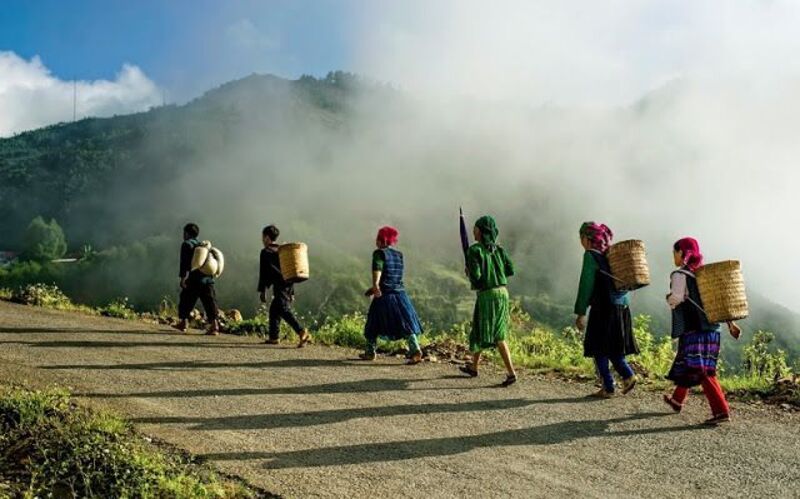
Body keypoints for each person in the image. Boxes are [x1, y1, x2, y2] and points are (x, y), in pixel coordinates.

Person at [663, 237, 741, 425]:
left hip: (694, 329)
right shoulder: (704, 275)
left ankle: (721, 411)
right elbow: (718, 302)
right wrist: (730, 324)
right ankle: (676, 400)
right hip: (713, 330)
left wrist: (669, 299)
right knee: (690, 363)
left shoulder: (680, 275)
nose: (673, 257)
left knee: (703, 370)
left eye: (675, 252)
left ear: (682, 253)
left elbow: (677, 297)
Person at [574, 222, 638, 398]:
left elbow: (586, 285)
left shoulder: (591, 256)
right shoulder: (609, 256)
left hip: (603, 308)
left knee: (598, 347)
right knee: (613, 346)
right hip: (621, 307)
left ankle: (609, 386)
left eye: (581, 238)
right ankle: (627, 375)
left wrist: (581, 312)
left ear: (587, 239)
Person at [459, 215, 517, 387]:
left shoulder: (474, 250)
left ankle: (511, 372)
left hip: (487, 295)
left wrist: (470, 272)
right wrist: (495, 271)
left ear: (481, 231)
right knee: (480, 327)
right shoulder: (499, 250)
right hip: (503, 292)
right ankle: (474, 367)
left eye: (476, 228)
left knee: (496, 334)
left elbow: (476, 277)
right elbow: (510, 270)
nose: (473, 231)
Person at [360, 226, 424, 363]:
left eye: (377, 238)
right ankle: (415, 349)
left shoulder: (378, 253)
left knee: (373, 322)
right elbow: (393, 276)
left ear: (381, 240)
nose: (375, 241)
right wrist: (373, 288)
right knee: (405, 323)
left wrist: (376, 285)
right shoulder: (399, 255)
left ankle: (370, 352)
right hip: (400, 294)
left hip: (385, 295)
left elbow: (378, 268)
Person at [258, 225, 311, 347]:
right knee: (274, 309)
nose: (262, 240)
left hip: (279, 283)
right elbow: (290, 269)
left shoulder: (266, 252)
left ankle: (301, 331)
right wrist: (291, 292)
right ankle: (274, 337)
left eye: (262, 237)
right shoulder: (282, 250)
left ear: (266, 237)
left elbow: (264, 273)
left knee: (283, 309)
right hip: (288, 282)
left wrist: (262, 290)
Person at [175, 223, 220, 335]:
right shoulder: (202, 245)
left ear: (186, 233)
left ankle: (183, 323)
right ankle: (215, 326)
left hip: (195, 279)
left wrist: (182, 278)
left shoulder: (186, 244)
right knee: (210, 302)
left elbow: (184, 263)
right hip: (208, 279)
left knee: (185, 299)